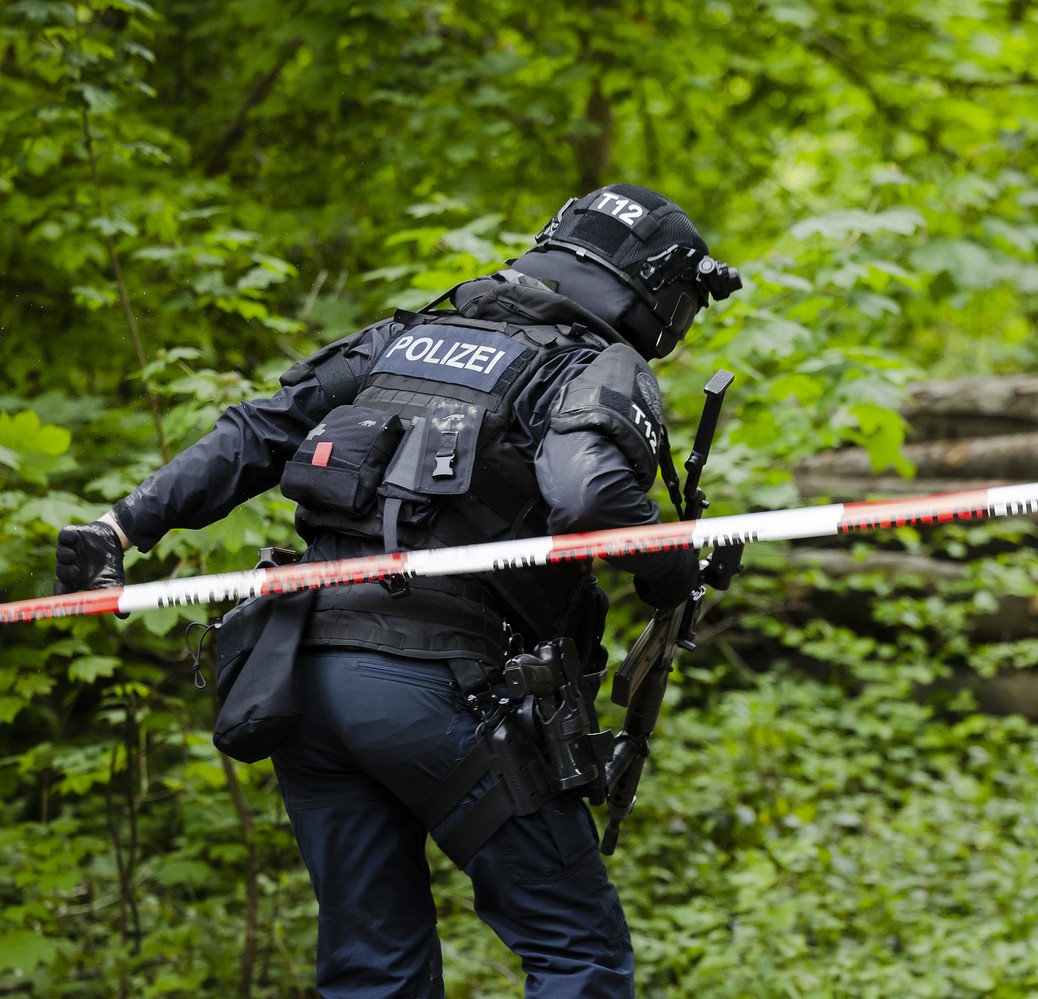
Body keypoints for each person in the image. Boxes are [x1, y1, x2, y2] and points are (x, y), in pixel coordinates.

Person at [52, 184, 742, 998]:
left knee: (373, 969)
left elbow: (258, 432)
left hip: (294, 681)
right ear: (657, 291)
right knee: (577, 951)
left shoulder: (405, 335)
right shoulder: (594, 365)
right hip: (436, 687)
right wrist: (675, 570)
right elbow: (589, 497)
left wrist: (119, 527)